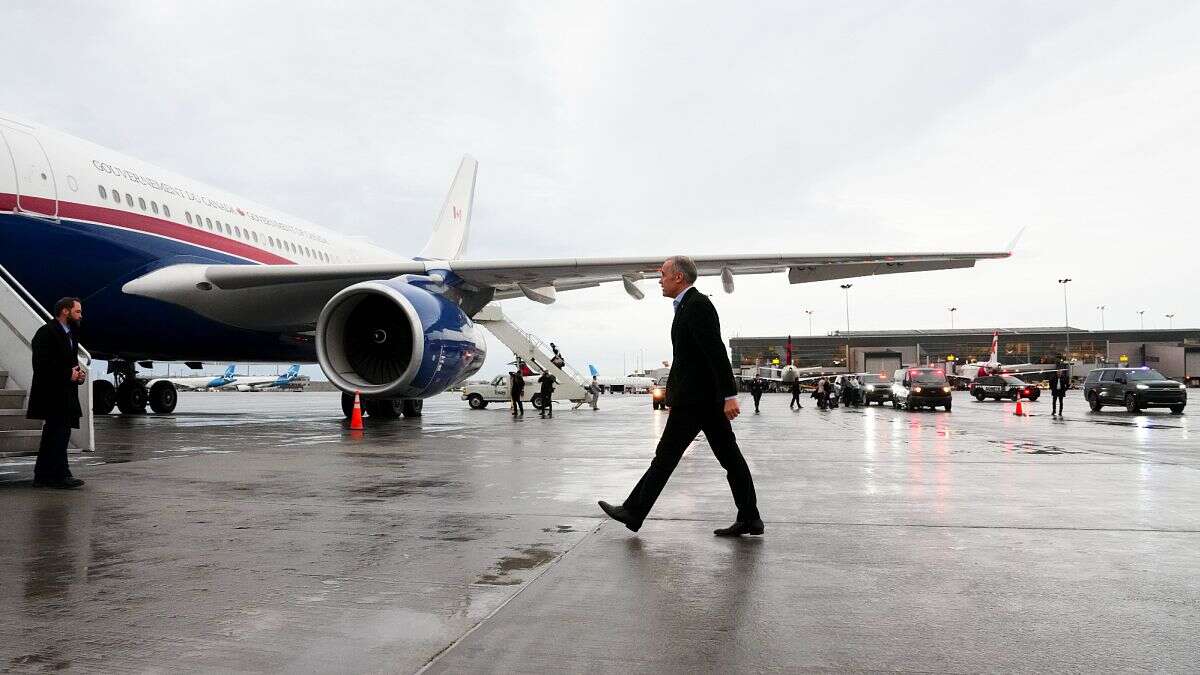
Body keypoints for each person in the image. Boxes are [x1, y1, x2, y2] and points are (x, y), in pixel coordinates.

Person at [598, 256, 763, 537]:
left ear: (678, 277)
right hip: (701, 400)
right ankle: (750, 518)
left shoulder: (697, 305)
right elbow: (691, 359)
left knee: (666, 457)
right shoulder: (687, 305)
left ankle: (633, 511)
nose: (659, 280)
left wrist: (730, 394)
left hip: (697, 401)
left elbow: (716, 351)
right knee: (730, 458)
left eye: (662, 274)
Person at [28, 297, 86, 489]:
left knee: (59, 434)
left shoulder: (71, 333)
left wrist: (78, 374)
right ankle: (58, 475)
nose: (81, 315)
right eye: (77, 311)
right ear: (65, 311)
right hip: (52, 393)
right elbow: (41, 365)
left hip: (66, 393)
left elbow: (69, 362)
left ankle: (46, 475)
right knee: (57, 434)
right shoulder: (46, 332)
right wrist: (68, 373)